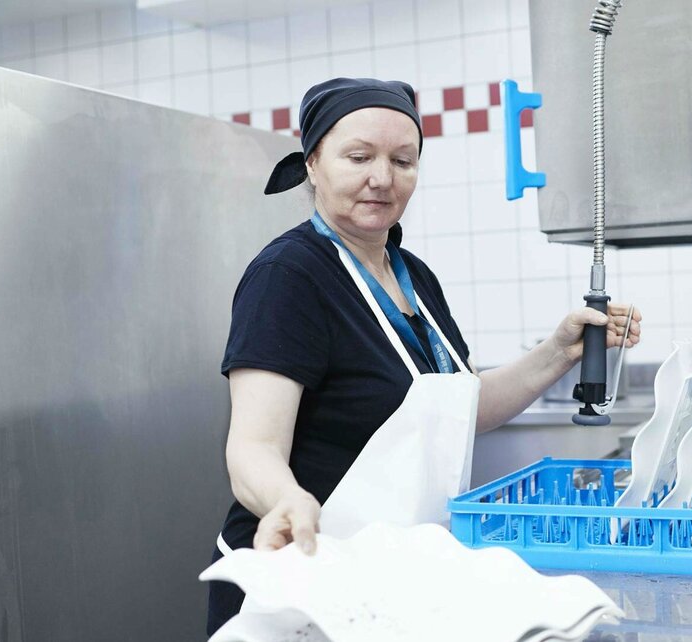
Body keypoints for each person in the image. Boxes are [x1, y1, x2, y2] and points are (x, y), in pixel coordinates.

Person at [206, 77, 641, 635]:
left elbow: (459, 409)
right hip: (301, 582)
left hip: (392, 580)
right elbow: (252, 447)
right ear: (312, 163)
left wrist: (559, 352)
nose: (382, 178)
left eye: (403, 161)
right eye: (358, 157)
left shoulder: (414, 279)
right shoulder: (288, 277)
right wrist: (285, 499)